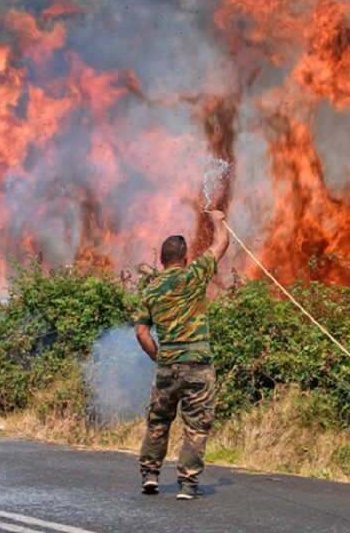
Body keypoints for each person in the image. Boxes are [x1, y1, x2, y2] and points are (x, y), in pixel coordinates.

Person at [134, 209, 230, 500]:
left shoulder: (151, 292)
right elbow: (221, 242)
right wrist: (217, 219)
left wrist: (160, 358)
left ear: (162, 262)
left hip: (167, 366)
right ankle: (187, 484)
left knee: (159, 421)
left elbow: (141, 333)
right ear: (185, 258)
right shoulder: (194, 275)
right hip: (197, 365)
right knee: (196, 425)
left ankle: (150, 475)